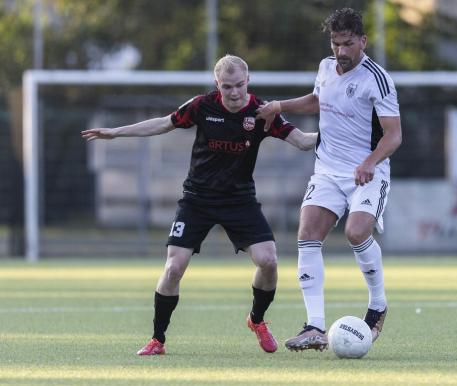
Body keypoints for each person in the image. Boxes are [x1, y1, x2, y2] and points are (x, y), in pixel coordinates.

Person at [81, 55, 317, 355]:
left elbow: (304, 141)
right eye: (226, 86)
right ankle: (158, 339)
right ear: (217, 85)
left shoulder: (263, 112)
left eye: (239, 85)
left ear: (248, 81)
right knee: (173, 267)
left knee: (269, 261)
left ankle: (257, 320)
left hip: (239, 200)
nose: (234, 93)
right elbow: (162, 124)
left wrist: (342, 134)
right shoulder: (202, 106)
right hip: (197, 200)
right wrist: (116, 132)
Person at [256, 8, 402, 351]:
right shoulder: (325, 67)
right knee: (307, 234)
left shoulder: (377, 79)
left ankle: (378, 305)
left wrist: (369, 161)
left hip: (367, 172)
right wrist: (279, 105)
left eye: (348, 43)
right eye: (336, 43)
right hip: (327, 170)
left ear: (363, 41)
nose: (341, 51)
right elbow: (316, 102)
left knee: (356, 232)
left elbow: (394, 136)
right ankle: (315, 327)